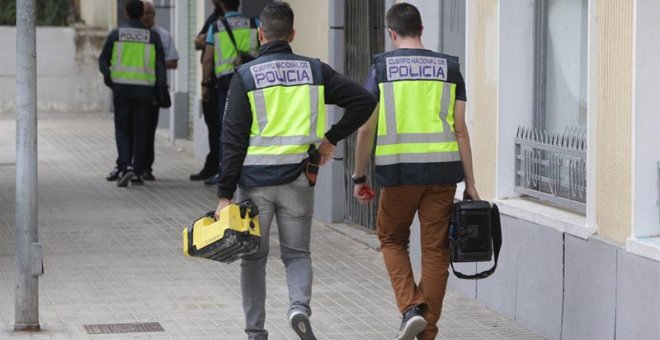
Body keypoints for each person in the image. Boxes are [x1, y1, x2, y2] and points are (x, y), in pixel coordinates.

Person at [214, 3, 376, 339]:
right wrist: (330, 139)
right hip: (299, 180)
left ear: (261, 34)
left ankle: (255, 331)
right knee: (298, 254)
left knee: (253, 259)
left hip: (255, 186)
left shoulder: (245, 76)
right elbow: (364, 101)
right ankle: (299, 308)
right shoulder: (316, 71)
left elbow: (232, 141)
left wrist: (224, 195)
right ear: (292, 35)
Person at [352, 3, 480, 340]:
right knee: (436, 250)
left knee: (392, 238)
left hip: (399, 173)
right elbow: (460, 129)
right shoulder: (450, 68)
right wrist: (471, 184)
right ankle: (427, 332)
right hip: (443, 173)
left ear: (392, 34)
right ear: (422, 29)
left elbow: (366, 129)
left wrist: (359, 176)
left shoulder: (381, 67)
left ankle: (412, 309)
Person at [99, 0, 166, 187]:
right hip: (145, 90)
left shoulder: (116, 34)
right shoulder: (153, 37)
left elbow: (103, 62)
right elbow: (160, 68)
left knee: (122, 129)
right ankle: (137, 171)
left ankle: (126, 166)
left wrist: (110, 81)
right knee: (142, 131)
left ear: (127, 13)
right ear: (141, 14)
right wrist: (159, 91)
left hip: (122, 89)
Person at [201, 0, 259, 186]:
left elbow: (208, 58)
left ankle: (225, 172)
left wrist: (204, 84)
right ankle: (250, 168)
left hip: (226, 83)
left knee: (226, 128)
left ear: (223, 6)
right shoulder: (255, 23)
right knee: (252, 126)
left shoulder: (216, 27)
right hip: (252, 80)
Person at [141, 0, 179, 181]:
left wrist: (154, 64)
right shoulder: (133, 35)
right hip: (134, 92)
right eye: (143, 13)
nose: (145, 16)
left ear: (154, 15)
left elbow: (173, 62)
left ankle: (146, 167)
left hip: (153, 92)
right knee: (133, 131)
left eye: (148, 13)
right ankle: (131, 165)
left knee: (148, 131)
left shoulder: (163, 36)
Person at [190, 0, 225, 183]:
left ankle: (218, 168)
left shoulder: (221, 20)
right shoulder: (213, 16)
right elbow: (197, 42)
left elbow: (207, 53)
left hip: (216, 81)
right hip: (215, 81)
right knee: (214, 126)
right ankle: (213, 166)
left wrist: (204, 84)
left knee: (219, 127)